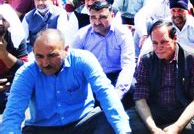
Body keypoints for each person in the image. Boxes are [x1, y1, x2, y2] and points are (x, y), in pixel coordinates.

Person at [1, 29, 131, 133]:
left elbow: (106, 93)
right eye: (39, 57)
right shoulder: (26, 73)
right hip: (43, 128)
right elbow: (13, 115)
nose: (45, 63)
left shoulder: (83, 60)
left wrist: (123, 131)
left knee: (110, 123)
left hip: (83, 122)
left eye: (52, 56)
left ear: (66, 50)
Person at [128, 20, 194, 133]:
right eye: (154, 43)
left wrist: (177, 127)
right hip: (154, 110)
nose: (158, 47)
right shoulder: (146, 60)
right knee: (127, 122)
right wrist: (153, 129)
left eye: (163, 42)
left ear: (175, 38)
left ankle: (170, 129)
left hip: (183, 108)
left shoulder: (191, 57)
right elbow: (140, 98)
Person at [73, 1, 135, 103]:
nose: (97, 22)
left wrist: (117, 94)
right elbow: (73, 64)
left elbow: (128, 66)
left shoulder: (123, 34)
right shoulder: (81, 35)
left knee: (131, 87)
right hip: (92, 77)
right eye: (93, 17)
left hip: (116, 76)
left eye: (102, 17)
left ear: (112, 16)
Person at [0, 5, 28, 114]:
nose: (0, 23)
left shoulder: (16, 39)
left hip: (11, 89)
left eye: (4, 19)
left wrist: (5, 54)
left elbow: (25, 70)